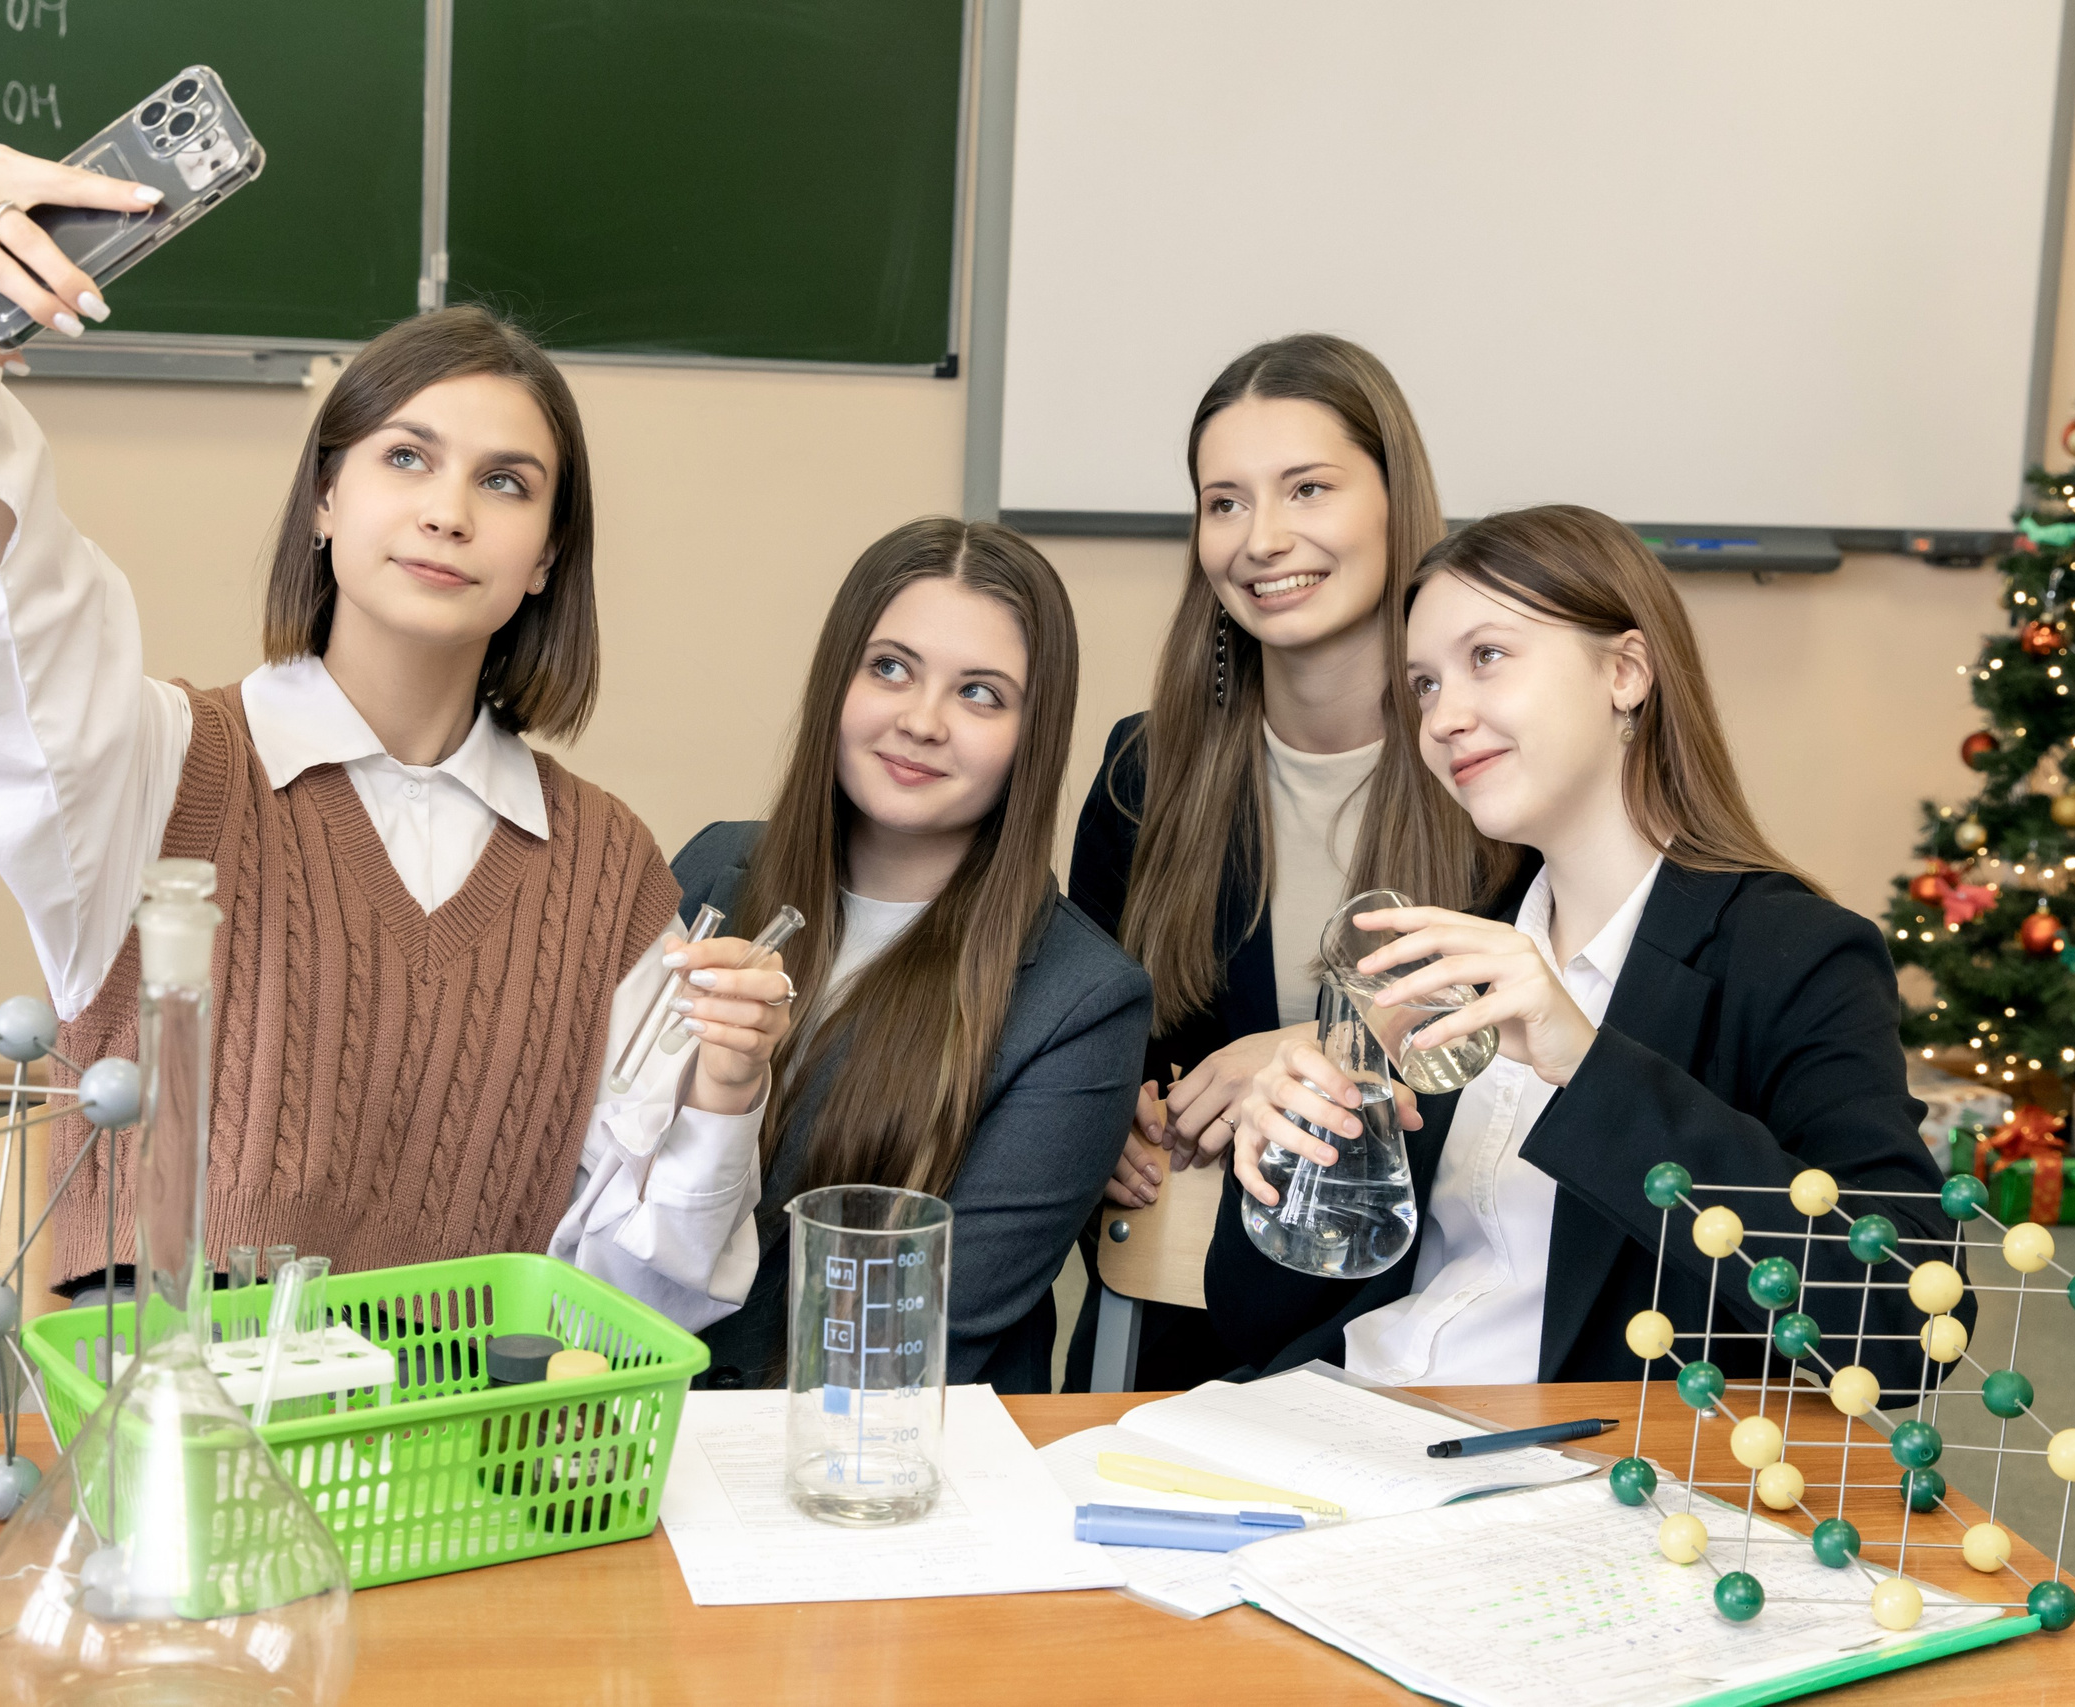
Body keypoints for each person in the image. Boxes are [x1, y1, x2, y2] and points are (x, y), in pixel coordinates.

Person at [0, 145, 788, 1319]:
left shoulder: (605, 870)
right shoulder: (154, 771)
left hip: (465, 1457)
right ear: (327, 501)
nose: (448, 510)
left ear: (547, 559)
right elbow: (7, 591)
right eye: (406, 458)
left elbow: (648, 1290)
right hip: (185, 1452)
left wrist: (725, 1094)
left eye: (507, 484)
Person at [1209, 505, 1956, 1394]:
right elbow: (1255, 1315)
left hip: (1566, 1481)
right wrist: (1282, 1165)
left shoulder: (1795, 955)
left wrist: (1590, 1063)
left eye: (1486, 657)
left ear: (1626, 672)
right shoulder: (1446, 952)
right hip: (1342, 1420)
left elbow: (1908, 1326)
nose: (1444, 717)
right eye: (1424, 685)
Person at [1063, 335, 1491, 1387]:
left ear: (1396, 502)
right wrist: (1099, 1114)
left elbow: (1536, 1066)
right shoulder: (1144, 771)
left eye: (1307, 489)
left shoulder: (1494, 772)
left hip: (1436, 1352)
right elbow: (1101, 1041)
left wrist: (1322, 1046)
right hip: (1182, 1357)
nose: (1261, 539)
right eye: (1224, 502)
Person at [674, 518, 1152, 1392]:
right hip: (622, 1439)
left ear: (1029, 737)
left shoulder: (1083, 1003)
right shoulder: (713, 868)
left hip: (866, 1469)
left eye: (980, 694)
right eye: (890, 667)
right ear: (837, 682)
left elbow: (912, 1349)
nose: (922, 721)